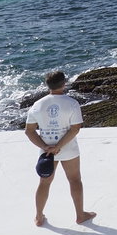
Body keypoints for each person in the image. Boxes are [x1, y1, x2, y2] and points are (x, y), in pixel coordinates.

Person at [25, 71, 96, 226]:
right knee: (75, 180)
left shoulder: (38, 105)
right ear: (64, 83)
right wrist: (59, 146)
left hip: (46, 152)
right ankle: (80, 215)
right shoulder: (71, 103)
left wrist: (46, 147)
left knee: (44, 183)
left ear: (47, 85)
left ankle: (38, 216)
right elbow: (75, 128)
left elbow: (29, 131)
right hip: (68, 149)